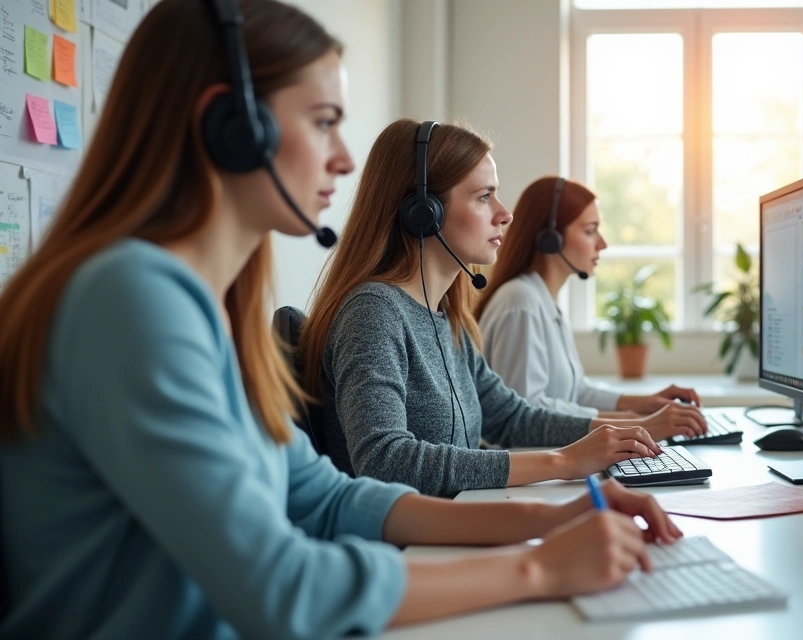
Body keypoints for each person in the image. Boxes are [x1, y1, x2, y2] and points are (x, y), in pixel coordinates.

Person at [0, 2, 680, 637]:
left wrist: (556, 516)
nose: (346, 158)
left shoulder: (210, 308)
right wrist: (539, 567)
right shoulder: (130, 302)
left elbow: (326, 498)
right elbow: (278, 587)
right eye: (324, 121)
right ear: (233, 128)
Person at [297, 119, 707, 498]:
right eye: (483, 197)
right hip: (408, 553)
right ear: (423, 213)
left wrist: (622, 432)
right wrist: (563, 462)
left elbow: (511, 417)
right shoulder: (374, 313)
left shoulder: (446, 318)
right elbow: (386, 461)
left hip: (454, 525)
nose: (504, 214)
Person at [476, 176, 706, 419]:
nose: (603, 244)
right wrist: (638, 422)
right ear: (550, 238)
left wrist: (646, 403)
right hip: (527, 455)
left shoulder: (542, 300)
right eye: (590, 231)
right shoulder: (520, 302)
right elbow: (524, 412)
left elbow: (576, 392)